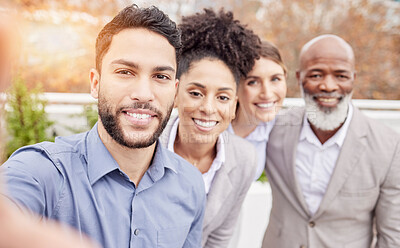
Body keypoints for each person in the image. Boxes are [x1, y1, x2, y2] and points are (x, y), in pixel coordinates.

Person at [1, 4, 206, 248]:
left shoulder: (191, 185)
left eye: (160, 76)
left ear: (174, 91)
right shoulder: (41, 172)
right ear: (95, 83)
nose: (143, 94)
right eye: (125, 72)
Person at [262, 34, 400, 247]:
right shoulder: (272, 129)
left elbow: (392, 237)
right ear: (299, 78)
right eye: (316, 75)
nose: (328, 86)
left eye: (341, 76)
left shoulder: (389, 147)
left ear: (353, 78)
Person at [159, 8, 260, 247]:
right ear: (175, 94)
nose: (208, 107)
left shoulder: (244, 159)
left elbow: (219, 238)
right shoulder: (145, 146)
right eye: (196, 93)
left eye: (223, 98)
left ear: (235, 105)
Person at [229, 41, 287, 180]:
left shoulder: (276, 126)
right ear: (236, 86)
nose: (267, 93)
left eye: (275, 79)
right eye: (253, 82)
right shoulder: (214, 127)